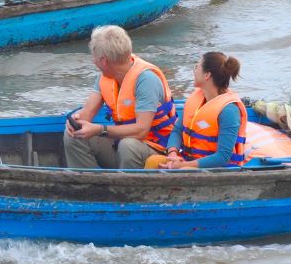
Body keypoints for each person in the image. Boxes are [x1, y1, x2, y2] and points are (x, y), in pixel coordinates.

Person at [64, 25, 177, 169]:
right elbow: (87, 113)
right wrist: (77, 121)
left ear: (104, 61)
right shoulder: (104, 76)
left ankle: (129, 183)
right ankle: (89, 182)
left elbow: (141, 130)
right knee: (74, 136)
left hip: (156, 149)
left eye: (94, 57)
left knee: (128, 145)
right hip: (122, 144)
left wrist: (100, 129)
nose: (93, 61)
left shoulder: (146, 79)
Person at [146, 52, 249, 170]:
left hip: (216, 168)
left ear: (207, 75)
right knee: (152, 161)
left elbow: (223, 156)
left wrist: (184, 165)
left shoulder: (229, 110)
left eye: (197, 67)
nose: (194, 71)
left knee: (184, 170)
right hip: (188, 159)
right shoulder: (195, 99)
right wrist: (172, 154)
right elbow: (177, 131)